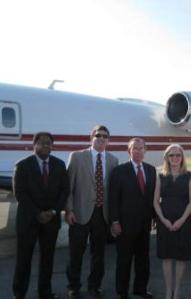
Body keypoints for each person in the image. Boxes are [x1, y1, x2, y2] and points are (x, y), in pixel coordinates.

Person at [12, 132, 69, 299]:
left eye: (49, 143)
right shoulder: (22, 165)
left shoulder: (59, 165)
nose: (46, 146)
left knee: (47, 259)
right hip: (28, 220)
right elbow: (20, 194)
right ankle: (19, 293)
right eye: (43, 143)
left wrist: (53, 212)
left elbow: (64, 191)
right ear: (34, 144)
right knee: (24, 260)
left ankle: (45, 292)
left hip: (51, 220)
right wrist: (38, 213)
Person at [65, 125, 119, 299]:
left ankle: (94, 286)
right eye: (98, 135)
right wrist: (69, 209)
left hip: (102, 214)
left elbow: (113, 190)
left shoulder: (113, 160)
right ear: (91, 137)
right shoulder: (77, 157)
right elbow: (68, 187)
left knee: (99, 254)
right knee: (76, 253)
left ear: (108, 140)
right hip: (80, 212)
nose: (102, 138)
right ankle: (74, 286)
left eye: (105, 136)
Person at [109, 137, 156, 299]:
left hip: (144, 225)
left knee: (143, 260)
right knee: (124, 260)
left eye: (141, 148)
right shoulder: (119, 171)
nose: (138, 151)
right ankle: (122, 291)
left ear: (145, 151)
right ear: (129, 151)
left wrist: (155, 218)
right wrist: (114, 221)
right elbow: (113, 198)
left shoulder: (151, 170)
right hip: (124, 225)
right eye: (135, 148)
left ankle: (140, 289)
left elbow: (152, 198)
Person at [153, 144, 191, 299]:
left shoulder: (189, 176)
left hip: (183, 221)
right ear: (167, 158)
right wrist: (163, 220)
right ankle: (168, 290)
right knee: (166, 256)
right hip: (165, 222)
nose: (175, 158)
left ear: (182, 157)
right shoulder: (161, 176)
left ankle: (177, 291)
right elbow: (156, 201)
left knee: (180, 257)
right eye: (171, 155)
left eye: (178, 155)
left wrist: (181, 220)